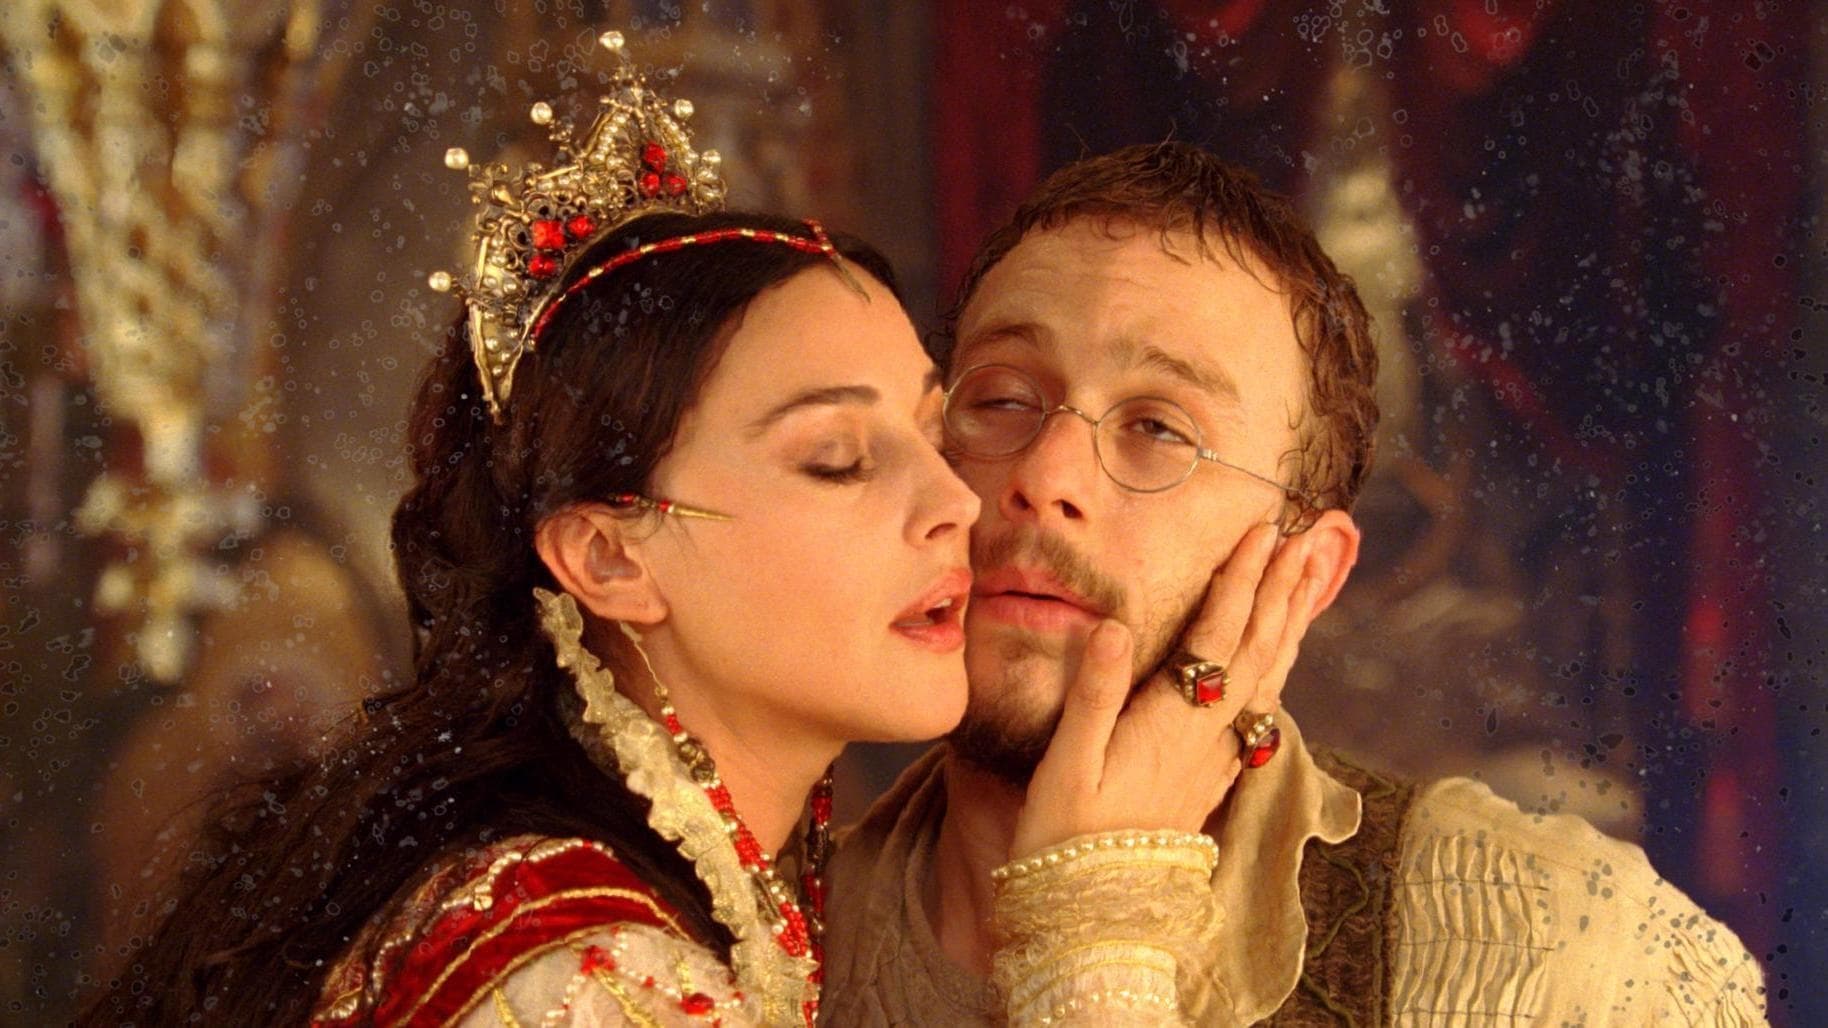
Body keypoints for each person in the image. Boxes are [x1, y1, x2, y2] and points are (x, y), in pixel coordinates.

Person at [79, 39, 1256, 1028]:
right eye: (838, 459)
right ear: (608, 556)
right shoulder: (586, 977)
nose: (956, 500)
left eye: (932, 428)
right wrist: (1093, 925)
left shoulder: (661, 898)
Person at [820, 142, 1770, 1025]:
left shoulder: (1560, 956)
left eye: (1158, 428)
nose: (1043, 476)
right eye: (999, 399)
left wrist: (1096, 904)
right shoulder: (761, 955)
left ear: (1303, 572)